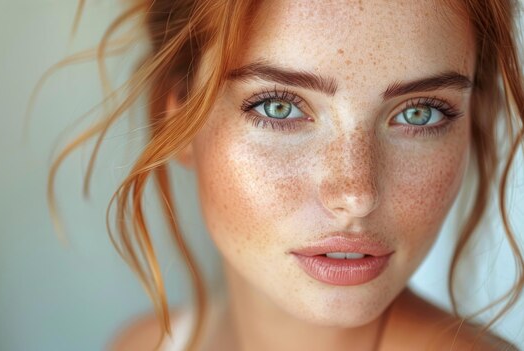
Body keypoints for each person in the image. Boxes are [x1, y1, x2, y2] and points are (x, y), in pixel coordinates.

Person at [32, 0, 524, 350]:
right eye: (280, 106)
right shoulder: (143, 345)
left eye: (420, 113)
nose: (356, 193)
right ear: (176, 118)